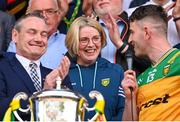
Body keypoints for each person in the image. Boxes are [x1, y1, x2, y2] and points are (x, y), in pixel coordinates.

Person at [0, 13, 71, 121]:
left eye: (43, 34)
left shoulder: (57, 76)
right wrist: (44, 93)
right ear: (15, 35)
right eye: (32, 32)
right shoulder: (2, 67)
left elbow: (68, 114)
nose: (38, 39)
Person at [121, 5, 180, 121]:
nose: (129, 40)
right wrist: (129, 98)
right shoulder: (140, 79)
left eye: (132, 32)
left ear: (147, 33)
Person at [65, 16, 125, 121]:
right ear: (74, 42)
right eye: (84, 40)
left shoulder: (116, 71)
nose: (91, 45)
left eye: (96, 38)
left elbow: (123, 110)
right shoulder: (65, 74)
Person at [7, 0, 67, 69]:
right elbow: (9, 71)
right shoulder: (18, 40)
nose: (44, 16)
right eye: (38, 13)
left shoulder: (69, 43)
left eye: (50, 11)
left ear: (58, 15)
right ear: (28, 15)